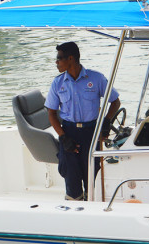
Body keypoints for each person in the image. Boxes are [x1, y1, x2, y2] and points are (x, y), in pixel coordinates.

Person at [46, 41, 121, 201]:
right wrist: (63, 137)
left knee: (92, 178)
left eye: (59, 58)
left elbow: (115, 102)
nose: (56, 62)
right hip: (69, 132)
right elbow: (51, 113)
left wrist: (106, 122)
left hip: (91, 133)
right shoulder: (57, 83)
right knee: (72, 181)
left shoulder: (96, 79)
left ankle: (92, 207)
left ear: (71, 59)